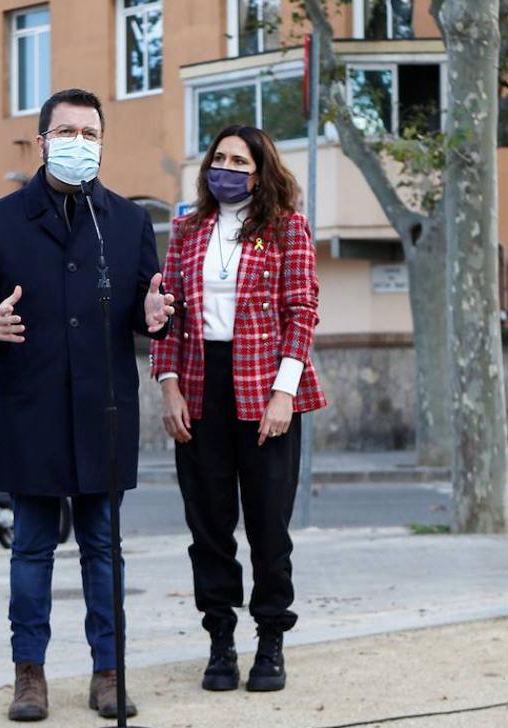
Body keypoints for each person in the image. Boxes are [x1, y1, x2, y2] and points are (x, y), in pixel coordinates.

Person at [0, 88, 175, 722]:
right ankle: (30, 675)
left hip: (103, 407)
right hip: (31, 406)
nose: (80, 141)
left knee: (104, 546)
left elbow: (144, 303)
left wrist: (155, 316)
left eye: (90, 132)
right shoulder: (0, 219)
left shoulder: (128, 221)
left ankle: (109, 673)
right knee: (30, 547)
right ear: (43, 139)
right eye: (67, 131)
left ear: (102, 142)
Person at [151, 125, 327, 693]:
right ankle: (220, 641)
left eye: (239, 161)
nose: (225, 168)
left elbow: (302, 313)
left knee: (268, 527)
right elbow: (167, 315)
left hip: (266, 388)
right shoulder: (187, 229)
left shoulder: (286, 228)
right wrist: (169, 384)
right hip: (201, 390)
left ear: (260, 171)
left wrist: (284, 391)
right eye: (218, 158)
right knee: (208, 526)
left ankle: (271, 638)